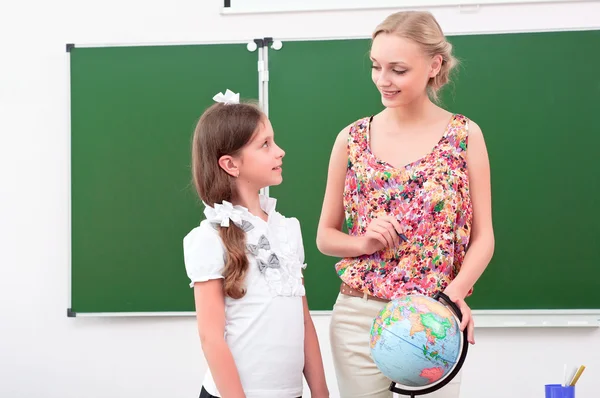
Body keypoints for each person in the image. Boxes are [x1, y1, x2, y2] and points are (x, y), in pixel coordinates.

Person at [316, 11, 495, 398]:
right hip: (359, 317)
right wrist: (363, 242)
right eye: (376, 66)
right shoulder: (351, 138)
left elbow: (483, 238)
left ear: (434, 65)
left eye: (397, 69)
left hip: (433, 320)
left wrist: (453, 297)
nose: (383, 80)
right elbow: (325, 237)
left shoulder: (464, 135)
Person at [183, 90, 329, 398]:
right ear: (231, 164)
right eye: (265, 144)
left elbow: (303, 321)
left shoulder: (287, 229)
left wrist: (321, 392)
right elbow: (211, 338)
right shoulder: (210, 237)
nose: (280, 152)